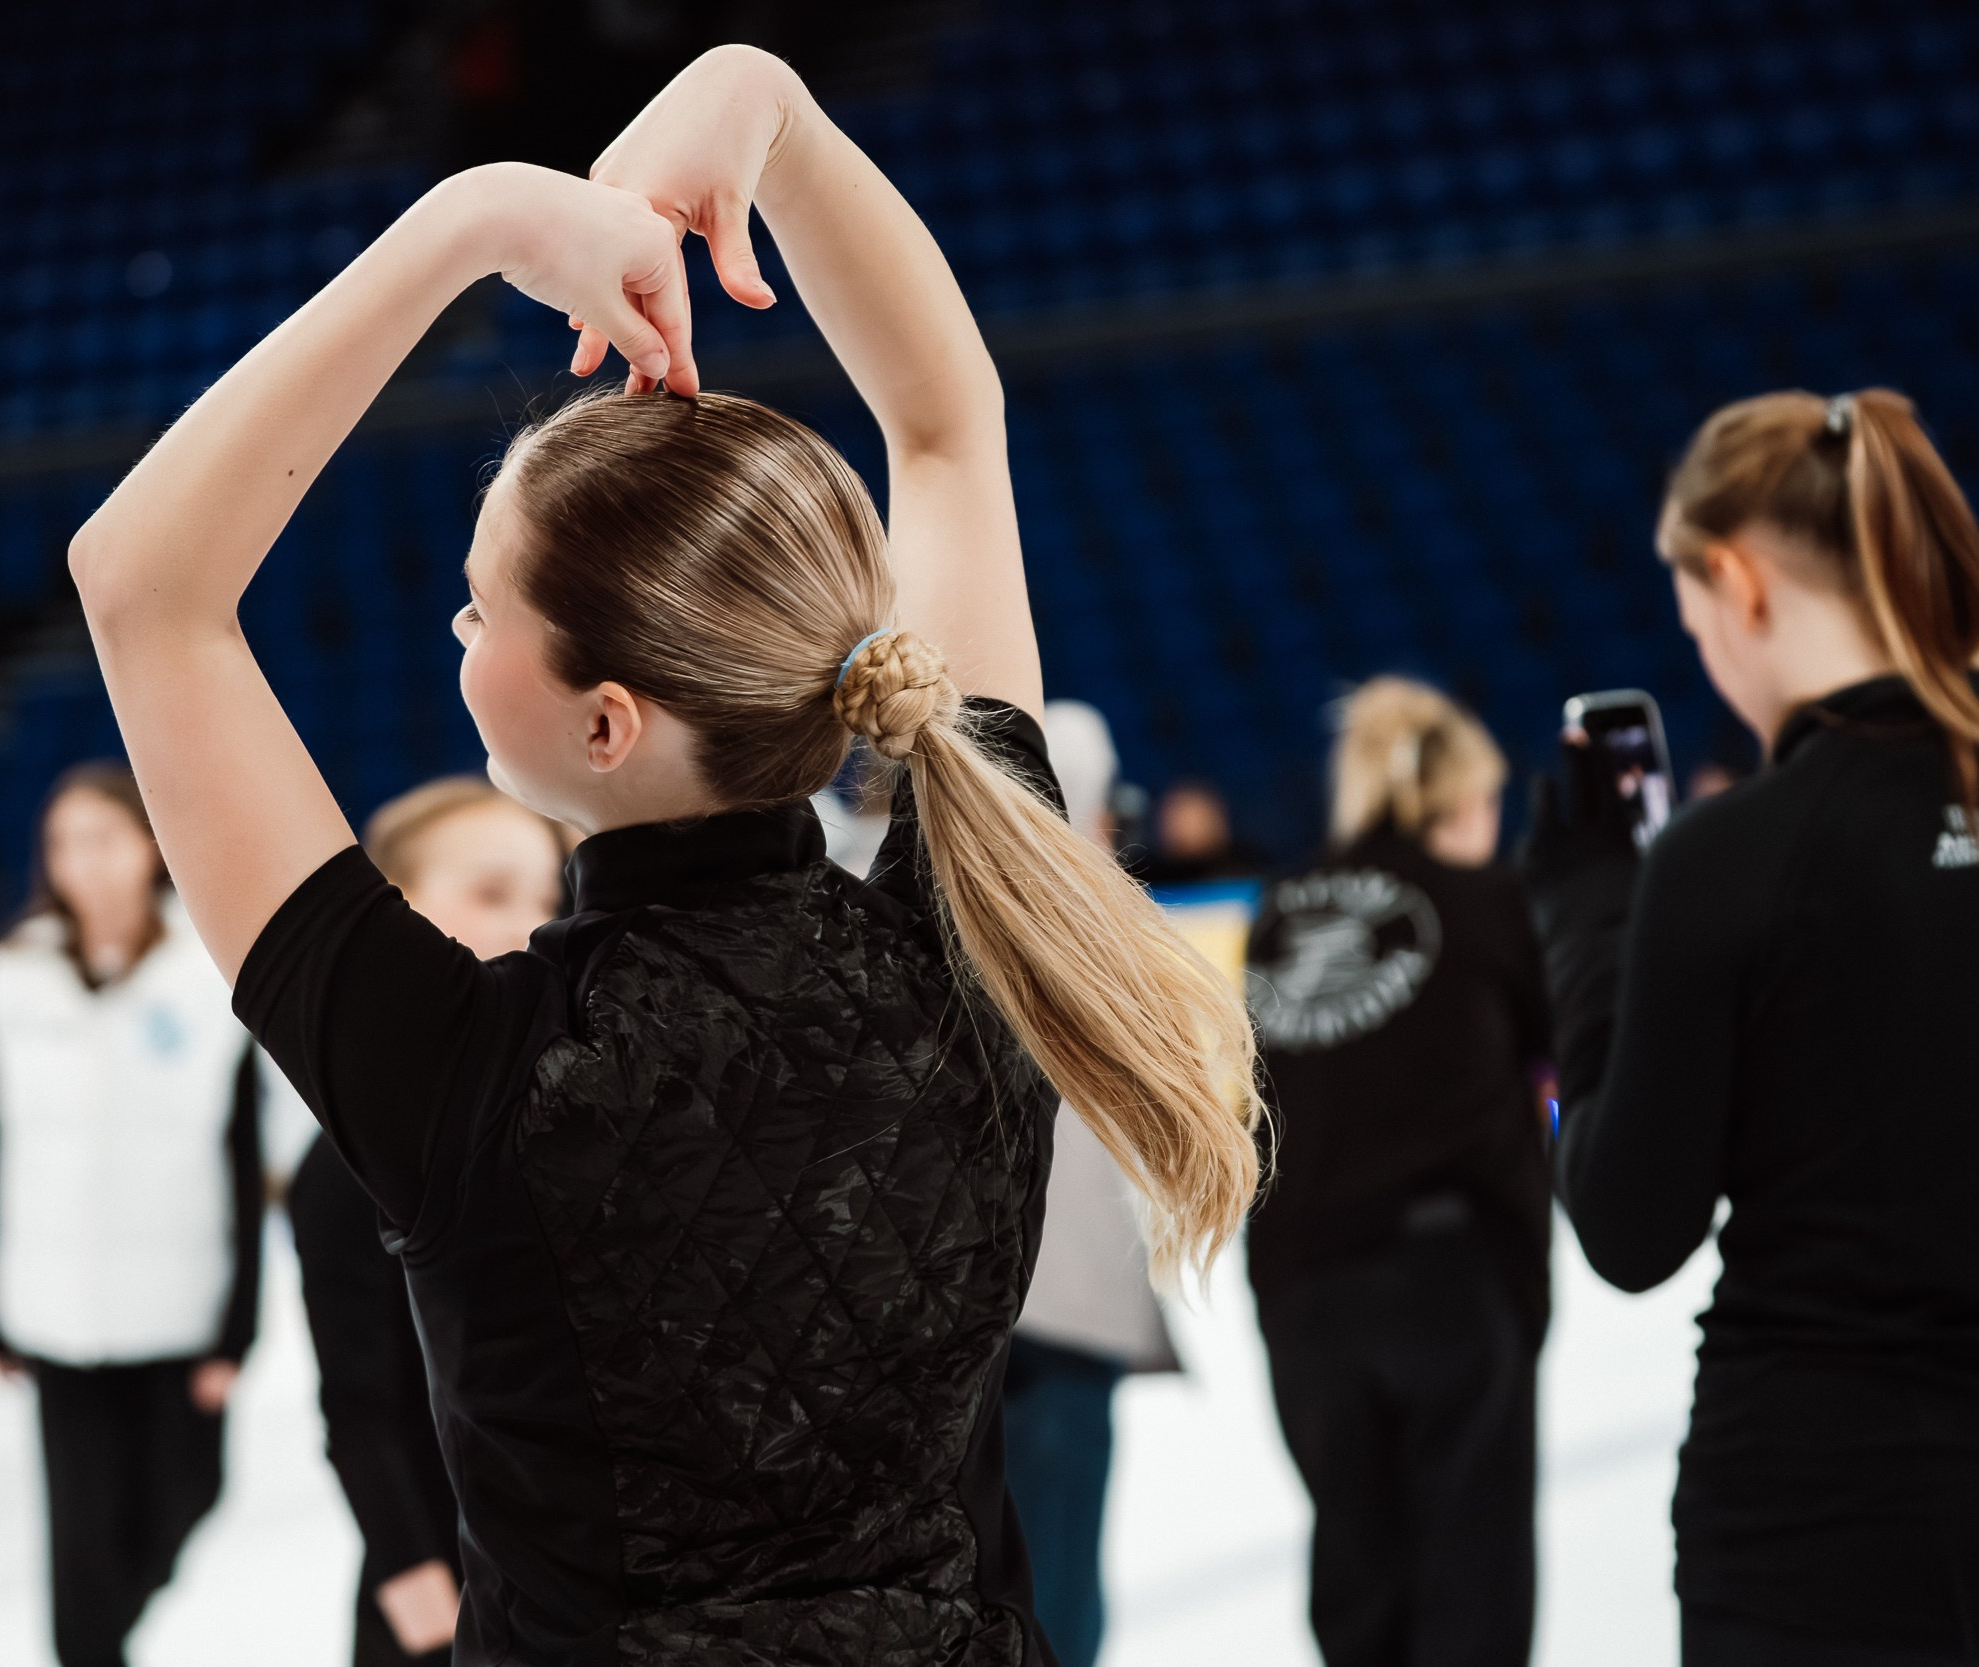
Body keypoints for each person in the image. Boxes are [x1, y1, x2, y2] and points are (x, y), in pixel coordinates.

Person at [65, 44, 1262, 1666]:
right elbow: (946, 424)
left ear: (607, 721)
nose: (458, 626)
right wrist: (766, 101)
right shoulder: (976, 939)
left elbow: (146, 588)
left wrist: (472, 223)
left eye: (484, 603)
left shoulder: (474, 1071)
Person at [1529, 389, 1979, 1665]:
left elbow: (1629, 1224)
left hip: (1815, 1520)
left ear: (1736, 580)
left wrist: (1589, 929)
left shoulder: (1732, 856)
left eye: (1695, 624)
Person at [1243, 677, 1553, 1667]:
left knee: (1359, 1596)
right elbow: (1559, 1061)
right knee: (1471, 1601)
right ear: (1457, 799)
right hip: (1448, 1276)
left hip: (1306, 1295)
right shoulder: (1487, 901)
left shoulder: (1279, 908)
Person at [0, 762, 266, 1667]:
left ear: (150, 846)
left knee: (189, 1496)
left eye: (103, 838)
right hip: (58, 1315)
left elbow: (241, 1160)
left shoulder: (208, 970)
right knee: (82, 1553)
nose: (83, 861)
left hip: (180, 1311)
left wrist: (237, 1328)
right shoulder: (13, 974)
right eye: (64, 843)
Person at [288, 776, 568, 1667]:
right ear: (393, 910)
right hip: (447, 1582)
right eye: (491, 892)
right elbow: (358, 1398)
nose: (529, 923)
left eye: (545, 897)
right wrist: (411, 1571)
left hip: (581, 1578)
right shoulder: (345, 1163)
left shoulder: (581, 1100)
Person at [1002, 699, 1184, 1667]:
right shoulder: (1077, 939)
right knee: (1056, 1610)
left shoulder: (889, 903)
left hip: (956, 1317)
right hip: (1055, 1319)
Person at [1130, 779, 1263, 888]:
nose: (1183, 828)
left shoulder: (1246, 873)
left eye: (1194, 819)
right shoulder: (1141, 877)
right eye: (1177, 819)